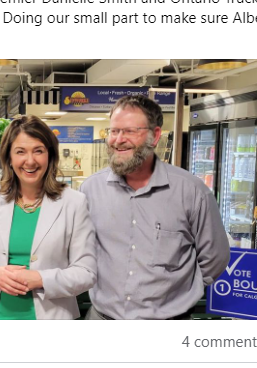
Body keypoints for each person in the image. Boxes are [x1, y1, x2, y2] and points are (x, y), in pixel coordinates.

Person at [80, 95, 230, 320]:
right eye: (113, 131)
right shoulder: (91, 189)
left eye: (129, 131)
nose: (118, 140)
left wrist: (178, 295)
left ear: (155, 135)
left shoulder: (191, 191)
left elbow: (214, 259)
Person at [0, 115, 96, 320]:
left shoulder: (74, 203)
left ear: (50, 155)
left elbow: (86, 272)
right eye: (20, 152)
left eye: (38, 151)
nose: (30, 161)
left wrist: (39, 279)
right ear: (9, 157)